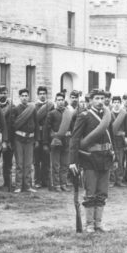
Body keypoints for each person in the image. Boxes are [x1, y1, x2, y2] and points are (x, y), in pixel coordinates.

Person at [68, 88, 115, 232]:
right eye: (97, 98)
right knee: (91, 191)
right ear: (90, 100)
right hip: (90, 159)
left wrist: (115, 156)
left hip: (105, 158)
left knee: (102, 192)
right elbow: (75, 139)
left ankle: (98, 223)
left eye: (102, 98)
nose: (100, 101)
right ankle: (89, 224)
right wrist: (72, 161)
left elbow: (111, 138)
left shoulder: (108, 116)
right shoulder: (84, 116)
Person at [10, 87, 38, 192]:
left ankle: (27, 185)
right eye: (22, 96)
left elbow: (36, 125)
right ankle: (18, 186)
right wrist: (11, 141)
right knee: (19, 164)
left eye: (26, 96)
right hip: (19, 139)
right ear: (19, 97)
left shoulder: (32, 109)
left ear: (29, 97)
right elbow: (12, 126)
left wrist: (37, 140)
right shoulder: (15, 109)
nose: (24, 98)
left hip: (30, 140)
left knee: (28, 164)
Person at [46, 92, 73, 191]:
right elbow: (47, 129)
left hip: (66, 141)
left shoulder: (68, 113)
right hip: (56, 141)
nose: (60, 102)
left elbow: (73, 128)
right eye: (58, 100)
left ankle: (63, 184)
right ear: (55, 101)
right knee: (56, 165)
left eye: (62, 100)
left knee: (65, 164)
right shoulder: (52, 113)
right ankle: (56, 184)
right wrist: (47, 142)